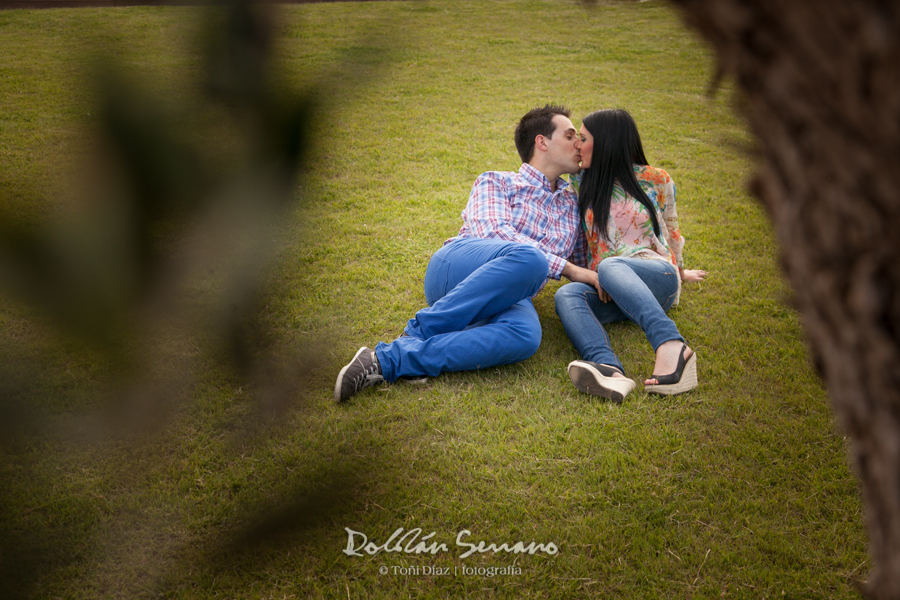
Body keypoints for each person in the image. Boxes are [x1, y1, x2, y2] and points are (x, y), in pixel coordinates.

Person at [334, 104, 601, 403]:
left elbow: (586, 263)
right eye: (570, 136)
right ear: (542, 142)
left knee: (526, 336)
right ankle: (415, 333)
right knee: (531, 259)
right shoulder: (498, 181)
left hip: (509, 293)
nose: (579, 144)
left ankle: (388, 361)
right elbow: (493, 233)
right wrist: (569, 269)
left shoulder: (571, 204)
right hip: (456, 268)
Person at [554, 108, 706, 402]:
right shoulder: (579, 182)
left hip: (656, 275)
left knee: (610, 266)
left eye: (583, 138)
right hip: (611, 286)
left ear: (606, 142)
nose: (577, 145)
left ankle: (672, 345)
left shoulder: (655, 179)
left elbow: (671, 229)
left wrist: (681, 271)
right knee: (567, 295)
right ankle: (609, 370)